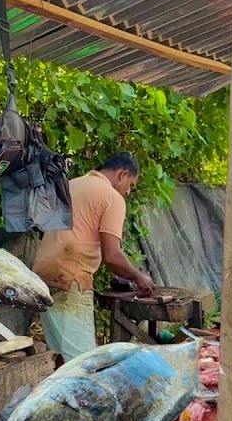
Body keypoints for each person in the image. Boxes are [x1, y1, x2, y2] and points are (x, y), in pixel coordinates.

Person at [32, 152, 156, 361]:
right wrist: (138, 277)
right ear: (122, 175)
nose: (128, 192)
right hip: (70, 278)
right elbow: (112, 255)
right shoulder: (112, 197)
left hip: (42, 275)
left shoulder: (72, 184)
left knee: (60, 360)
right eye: (131, 185)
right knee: (83, 363)